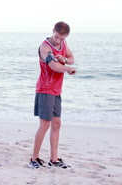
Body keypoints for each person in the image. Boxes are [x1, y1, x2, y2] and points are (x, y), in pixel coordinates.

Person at [28, 21, 76, 169]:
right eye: (57, 37)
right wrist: (68, 68)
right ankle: (34, 158)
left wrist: (65, 60)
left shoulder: (63, 43)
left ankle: (54, 159)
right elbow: (54, 67)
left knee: (56, 123)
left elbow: (71, 57)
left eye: (62, 39)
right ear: (52, 32)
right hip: (45, 89)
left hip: (56, 90)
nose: (59, 41)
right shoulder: (45, 47)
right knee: (45, 125)